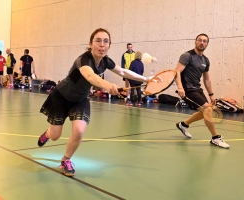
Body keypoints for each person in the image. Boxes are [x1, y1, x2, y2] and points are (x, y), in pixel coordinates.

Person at [37, 28, 156, 176]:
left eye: (106, 41)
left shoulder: (106, 62)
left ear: (109, 45)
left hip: (80, 99)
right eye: (98, 41)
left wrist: (146, 79)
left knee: (79, 131)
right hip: (61, 96)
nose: (102, 45)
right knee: (55, 135)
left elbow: (124, 72)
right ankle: (48, 134)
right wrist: (107, 85)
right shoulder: (83, 59)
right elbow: (90, 76)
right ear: (90, 43)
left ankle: (65, 159)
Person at [175, 33, 230, 149]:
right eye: (200, 40)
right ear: (195, 42)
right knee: (208, 110)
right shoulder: (187, 56)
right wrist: (180, 87)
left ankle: (183, 124)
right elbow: (177, 72)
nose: (202, 43)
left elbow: (206, 79)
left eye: (205, 41)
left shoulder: (206, 60)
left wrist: (211, 94)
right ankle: (215, 138)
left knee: (205, 111)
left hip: (198, 89)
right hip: (187, 89)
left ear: (207, 44)